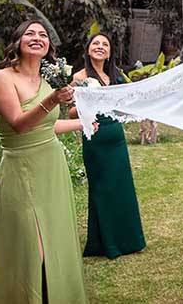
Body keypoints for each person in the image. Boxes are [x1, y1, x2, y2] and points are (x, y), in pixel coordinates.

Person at [0, 20, 88, 303]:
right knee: (32, 249)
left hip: (52, 167)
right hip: (21, 168)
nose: (37, 38)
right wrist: (54, 100)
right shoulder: (3, 78)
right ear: (17, 41)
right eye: (29, 33)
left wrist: (82, 124)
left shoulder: (48, 81)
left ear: (48, 47)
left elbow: (46, 127)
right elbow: (20, 125)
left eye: (42, 35)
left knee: (56, 241)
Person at [68, 32, 146, 259]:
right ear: (88, 49)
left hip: (116, 137)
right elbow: (71, 112)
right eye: (96, 43)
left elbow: (125, 104)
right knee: (101, 189)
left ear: (110, 52)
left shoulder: (116, 77)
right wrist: (87, 105)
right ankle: (105, 244)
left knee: (122, 188)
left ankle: (131, 241)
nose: (100, 47)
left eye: (105, 44)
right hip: (95, 137)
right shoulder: (79, 77)